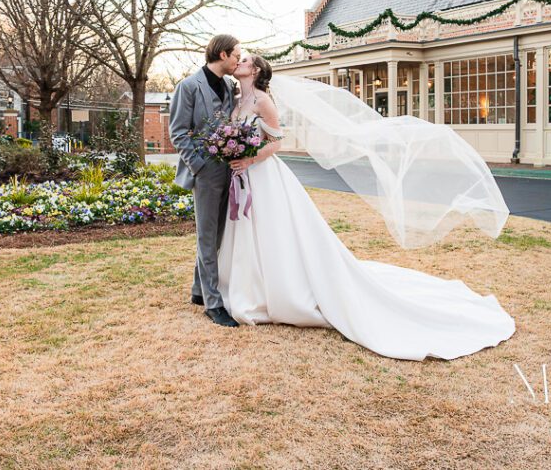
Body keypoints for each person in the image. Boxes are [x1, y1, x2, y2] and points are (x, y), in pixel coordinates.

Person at [215, 53, 517, 360]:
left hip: (264, 175)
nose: (239, 61)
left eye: (246, 59)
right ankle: (249, 289)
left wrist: (250, 158)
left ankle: (280, 291)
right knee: (251, 232)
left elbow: (277, 142)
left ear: (255, 70)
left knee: (274, 232)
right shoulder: (238, 100)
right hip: (243, 175)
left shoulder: (263, 101)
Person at [168, 34, 241, 328]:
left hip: (228, 169)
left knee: (219, 234)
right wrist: (198, 166)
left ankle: (199, 290)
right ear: (222, 55)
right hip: (205, 171)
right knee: (208, 236)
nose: (239, 59)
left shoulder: (228, 86)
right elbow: (178, 132)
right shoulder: (188, 87)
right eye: (236, 54)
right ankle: (213, 303)